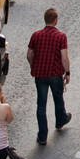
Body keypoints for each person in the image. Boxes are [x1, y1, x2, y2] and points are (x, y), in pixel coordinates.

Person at [27, 7, 71, 145]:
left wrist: (33, 66)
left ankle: (42, 136)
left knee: (41, 104)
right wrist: (67, 72)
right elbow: (64, 57)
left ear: (45, 20)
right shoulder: (61, 36)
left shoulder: (36, 35)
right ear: (56, 20)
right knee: (58, 98)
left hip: (40, 75)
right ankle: (60, 120)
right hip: (55, 74)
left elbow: (29, 55)